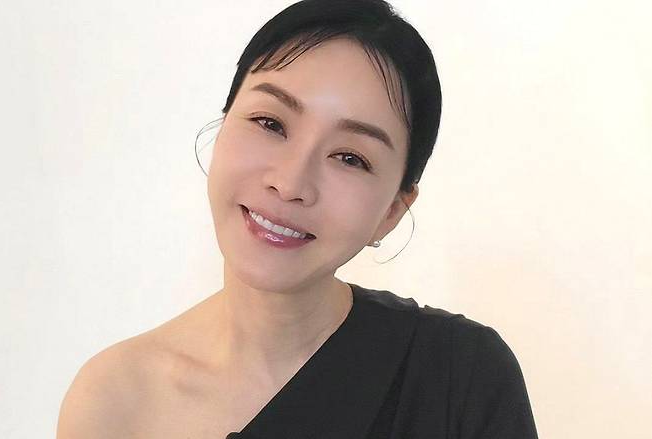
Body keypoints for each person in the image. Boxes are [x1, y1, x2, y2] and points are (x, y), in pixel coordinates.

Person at [57, 0, 538, 438]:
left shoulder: (461, 379)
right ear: (223, 126)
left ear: (392, 211)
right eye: (270, 123)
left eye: (350, 158)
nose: (290, 184)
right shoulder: (115, 401)